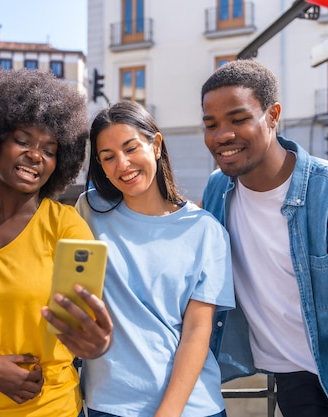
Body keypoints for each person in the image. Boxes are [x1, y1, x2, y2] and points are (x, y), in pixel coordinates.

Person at [200, 59, 328, 417]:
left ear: (273, 115)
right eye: (211, 124)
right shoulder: (219, 189)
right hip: (293, 381)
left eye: (238, 119)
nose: (222, 135)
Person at [0, 68, 113, 417]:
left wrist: (97, 341)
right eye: (23, 141)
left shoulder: (66, 226)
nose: (35, 155)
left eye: (49, 149)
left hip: (51, 408)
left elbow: (83, 319)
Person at [65, 100, 234, 417]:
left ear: (156, 145)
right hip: (108, 404)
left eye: (131, 149)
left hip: (191, 407)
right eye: (108, 158)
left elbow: (198, 332)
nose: (123, 164)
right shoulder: (89, 210)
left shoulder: (205, 231)